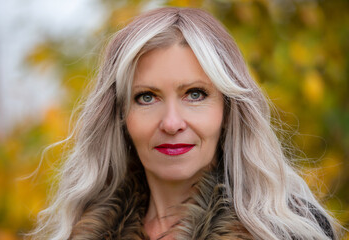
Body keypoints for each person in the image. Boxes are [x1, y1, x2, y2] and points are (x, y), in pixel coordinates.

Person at [30, 7, 339, 240]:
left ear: (228, 110)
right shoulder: (80, 232)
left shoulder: (292, 232)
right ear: (121, 115)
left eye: (195, 94)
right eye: (147, 97)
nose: (172, 122)